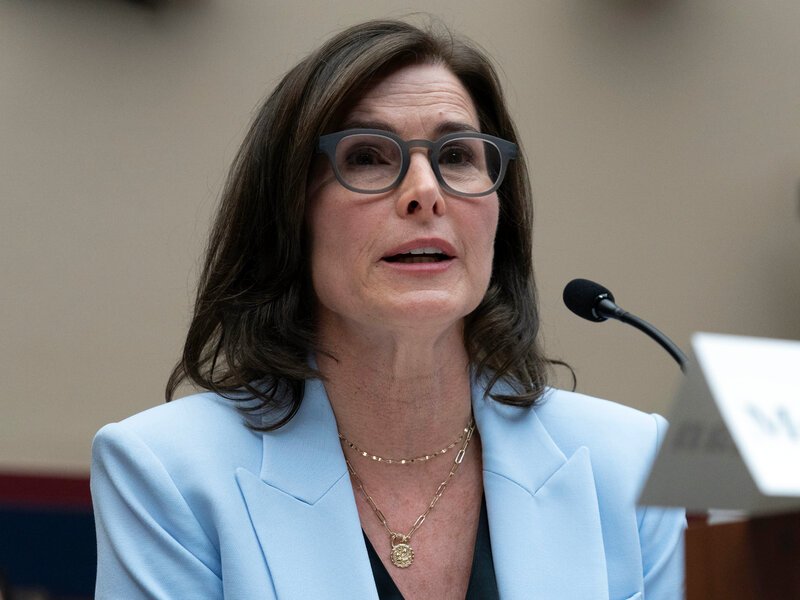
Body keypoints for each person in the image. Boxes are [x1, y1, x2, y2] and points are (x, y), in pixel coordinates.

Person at [91, 18, 685, 600]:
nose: (425, 191)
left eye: (457, 156)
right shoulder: (167, 473)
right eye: (368, 157)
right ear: (290, 214)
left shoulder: (630, 464)